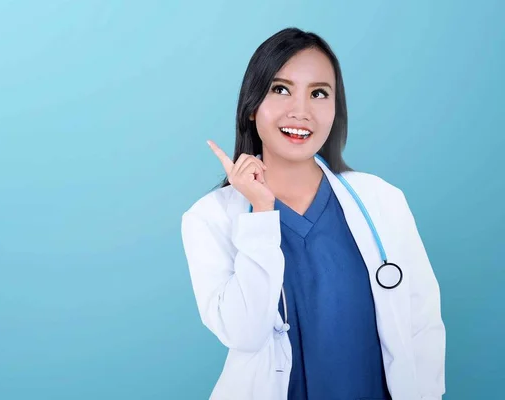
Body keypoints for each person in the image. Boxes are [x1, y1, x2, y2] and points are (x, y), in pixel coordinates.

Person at [180, 27, 446, 400]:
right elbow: (245, 333)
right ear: (252, 105)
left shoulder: (382, 201)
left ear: (335, 109)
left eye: (319, 93)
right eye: (281, 89)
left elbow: (422, 324)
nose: (301, 111)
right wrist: (260, 212)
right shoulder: (209, 219)